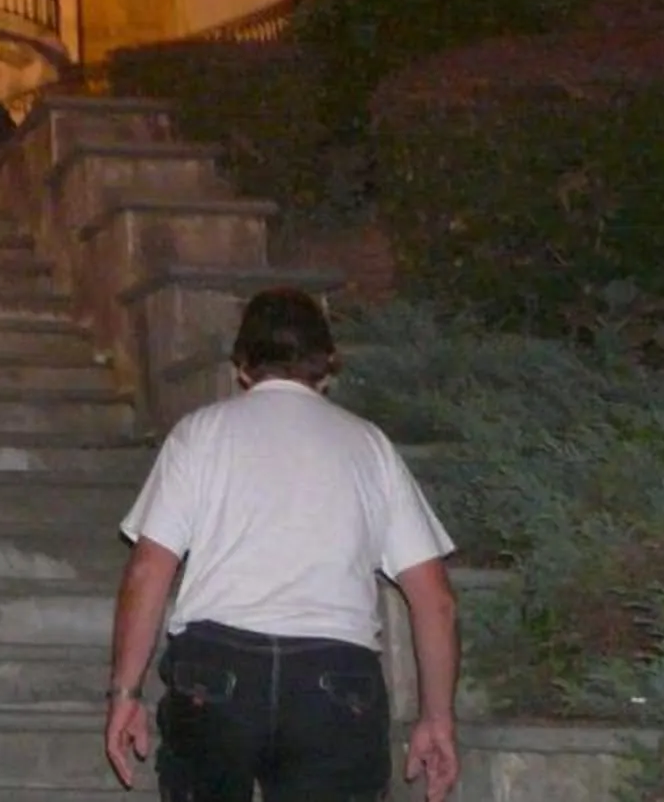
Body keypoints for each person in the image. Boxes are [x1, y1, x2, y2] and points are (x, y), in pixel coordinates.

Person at [104, 289, 461, 802]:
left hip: (217, 674)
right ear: (328, 364)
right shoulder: (369, 446)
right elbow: (436, 600)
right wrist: (437, 719)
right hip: (335, 683)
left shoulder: (200, 434)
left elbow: (147, 573)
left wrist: (125, 693)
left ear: (243, 366)